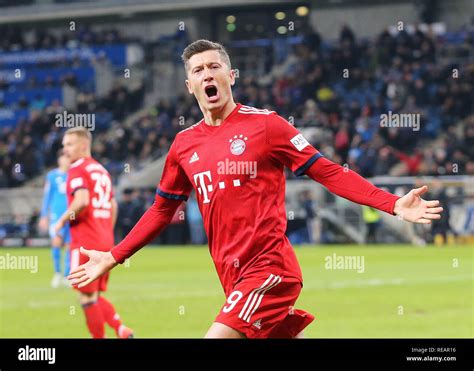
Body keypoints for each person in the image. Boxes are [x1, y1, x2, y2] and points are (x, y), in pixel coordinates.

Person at [68, 40, 443, 339]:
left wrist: (392, 203)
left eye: (214, 66)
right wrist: (114, 255)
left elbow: (328, 171)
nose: (207, 74)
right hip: (232, 276)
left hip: (270, 270)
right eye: (199, 70)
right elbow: (162, 210)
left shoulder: (267, 126)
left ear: (231, 75)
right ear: (190, 85)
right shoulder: (183, 145)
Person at [55, 127, 133, 339]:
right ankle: (120, 329)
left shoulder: (77, 169)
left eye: (69, 145)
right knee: (94, 294)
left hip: (84, 241)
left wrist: (61, 221)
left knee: (87, 298)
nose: (65, 150)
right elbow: (113, 205)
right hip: (104, 239)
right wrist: (106, 230)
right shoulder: (102, 171)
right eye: (64, 146)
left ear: (83, 145)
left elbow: (81, 201)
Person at [38, 151, 71, 288]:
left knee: (70, 245)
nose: (66, 160)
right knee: (56, 242)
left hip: (72, 214)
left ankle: (67, 275)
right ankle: (57, 273)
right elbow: (47, 197)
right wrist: (44, 215)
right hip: (57, 215)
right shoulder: (52, 176)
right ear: (59, 159)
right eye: (64, 157)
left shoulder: (74, 174)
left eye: (68, 157)